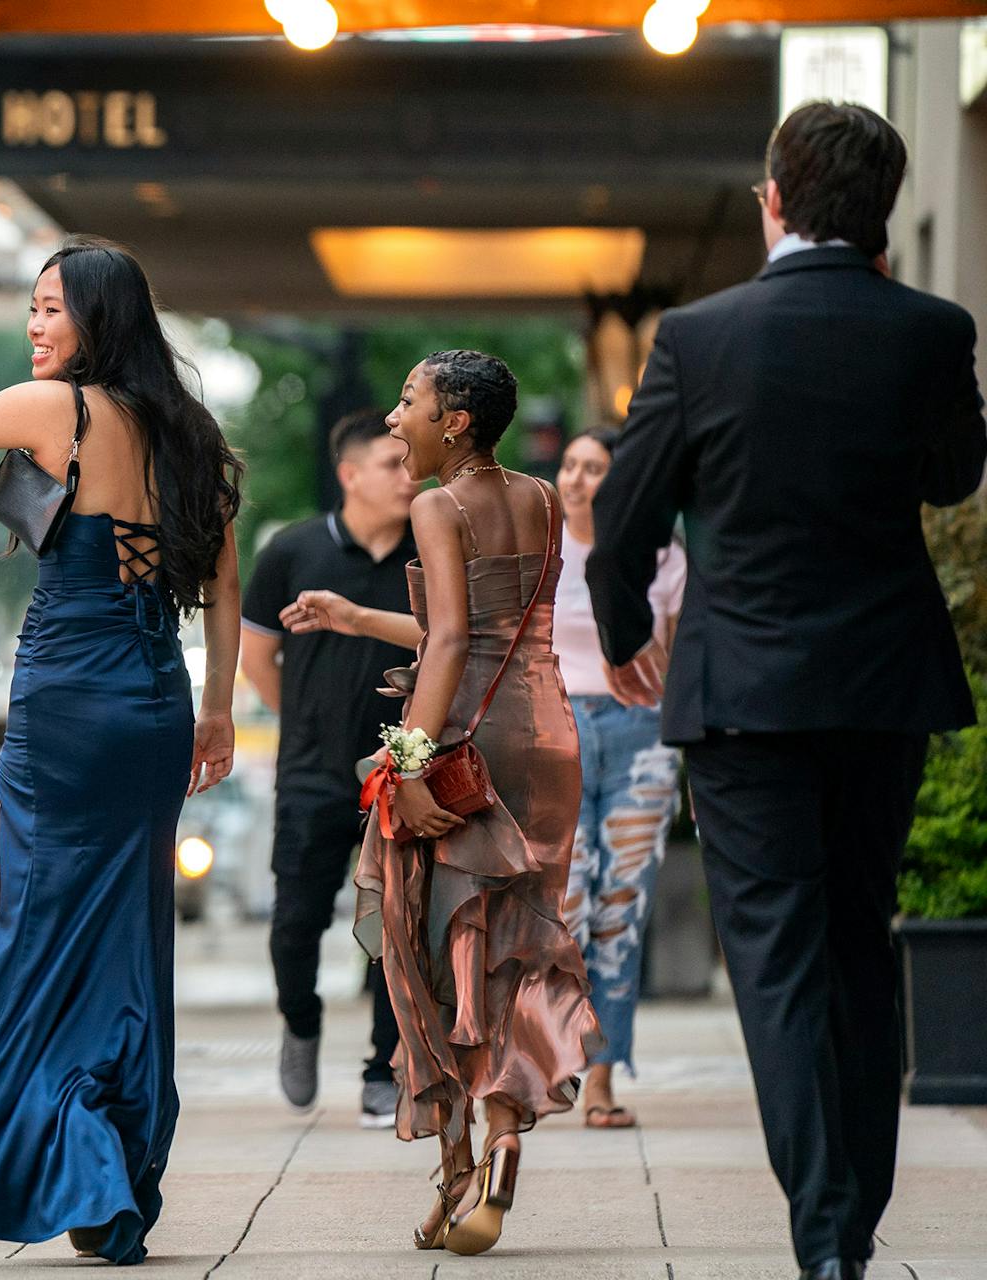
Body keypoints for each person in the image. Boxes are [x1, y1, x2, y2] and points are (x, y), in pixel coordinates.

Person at [588, 102, 985, 1280]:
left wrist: (618, 635)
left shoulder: (699, 336)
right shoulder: (930, 326)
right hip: (881, 679)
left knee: (774, 958)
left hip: (739, 688)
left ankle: (825, 1234)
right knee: (860, 940)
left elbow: (623, 514)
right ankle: (846, 1223)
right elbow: (956, 476)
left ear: (772, 199)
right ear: (877, 209)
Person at [0, 237, 243, 1267]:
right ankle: (113, 1156)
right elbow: (223, 587)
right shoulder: (193, 434)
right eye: (31, 311)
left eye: (49, 310)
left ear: (97, 320)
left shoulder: (57, 411)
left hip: (68, 703)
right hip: (158, 700)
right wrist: (217, 712)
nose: (34, 328)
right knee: (126, 932)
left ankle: (75, 1149)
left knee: (37, 929)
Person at [287, 350, 600, 1257]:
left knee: (435, 952)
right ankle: (496, 1159)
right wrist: (358, 617)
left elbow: (455, 639)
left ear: (455, 420)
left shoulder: (434, 503)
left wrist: (412, 762)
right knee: (516, 948)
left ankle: (465, 1161)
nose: (395, 419)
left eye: (410, 403)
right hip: (547, 738)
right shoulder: (540, 499)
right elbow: (485, 626)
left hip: (467, 741)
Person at [240, 409, 417, 1125]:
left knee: (391, 928)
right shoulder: (292, 550)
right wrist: (308, 726)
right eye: (391, 464)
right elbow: (257, 659)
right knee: (295, 923)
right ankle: (301, 1021)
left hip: (404, 769)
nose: (409, 477)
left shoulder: (427, 550)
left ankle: (382, 1068)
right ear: (349, 474)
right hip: (312, 772)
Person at [552, 428, 686, 1130]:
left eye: (595, 468)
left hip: (640, 736)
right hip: (559, 732)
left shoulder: (659, 554)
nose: (577, 479)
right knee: (568, 909)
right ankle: (561, 1064)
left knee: (621, 912)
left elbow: (676, 650)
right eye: (570, 465)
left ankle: (601, 1078)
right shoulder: (540, 548)